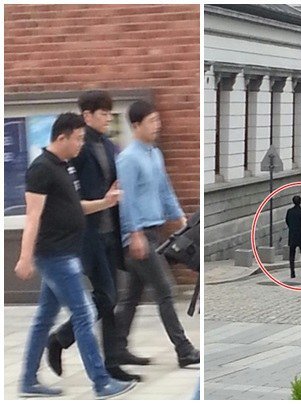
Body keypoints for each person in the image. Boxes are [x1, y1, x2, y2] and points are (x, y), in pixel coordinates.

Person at [15, 113, 136, 399]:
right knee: (85, 313)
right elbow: (33, 216)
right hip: (55, 255)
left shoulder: (64, 167)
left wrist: (105, 203)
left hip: (67, 252)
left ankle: (28, 381)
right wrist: (25, 257)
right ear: (62, 137)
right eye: (78, 139)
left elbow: (75, 207)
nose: (81, 144)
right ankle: (101, 382)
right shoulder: (41, 169)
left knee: (44, 318)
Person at [47, 91, 148, 383]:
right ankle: (64, 340)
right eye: (102, 113)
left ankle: (111, 359)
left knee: (109, 297)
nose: (107, 118)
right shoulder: (78, 148)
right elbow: (72, 193)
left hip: (109, 232)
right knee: (107, 296)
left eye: (108, 113)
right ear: (87, 115)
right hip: (87, 234)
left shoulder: (108, 145)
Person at [115, 99, 200, 368]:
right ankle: (184, 349)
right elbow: (126, 200)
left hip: (154, 232)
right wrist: (134, 234)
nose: (157, 125)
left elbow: (165, 190)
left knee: (131, 297)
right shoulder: (128, 159)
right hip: (138, 237)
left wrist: (180, 218)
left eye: (158, 120)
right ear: (135, 125)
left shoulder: (154, 154)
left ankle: (117, 348)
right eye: (152, 121)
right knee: (165, 289)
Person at [285, 195, 301, 278]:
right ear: (300, 202)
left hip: (292, 234)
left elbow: (287, 221)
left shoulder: (289, 211)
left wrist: (292, 228)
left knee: (292, 254)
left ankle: (292, 272)